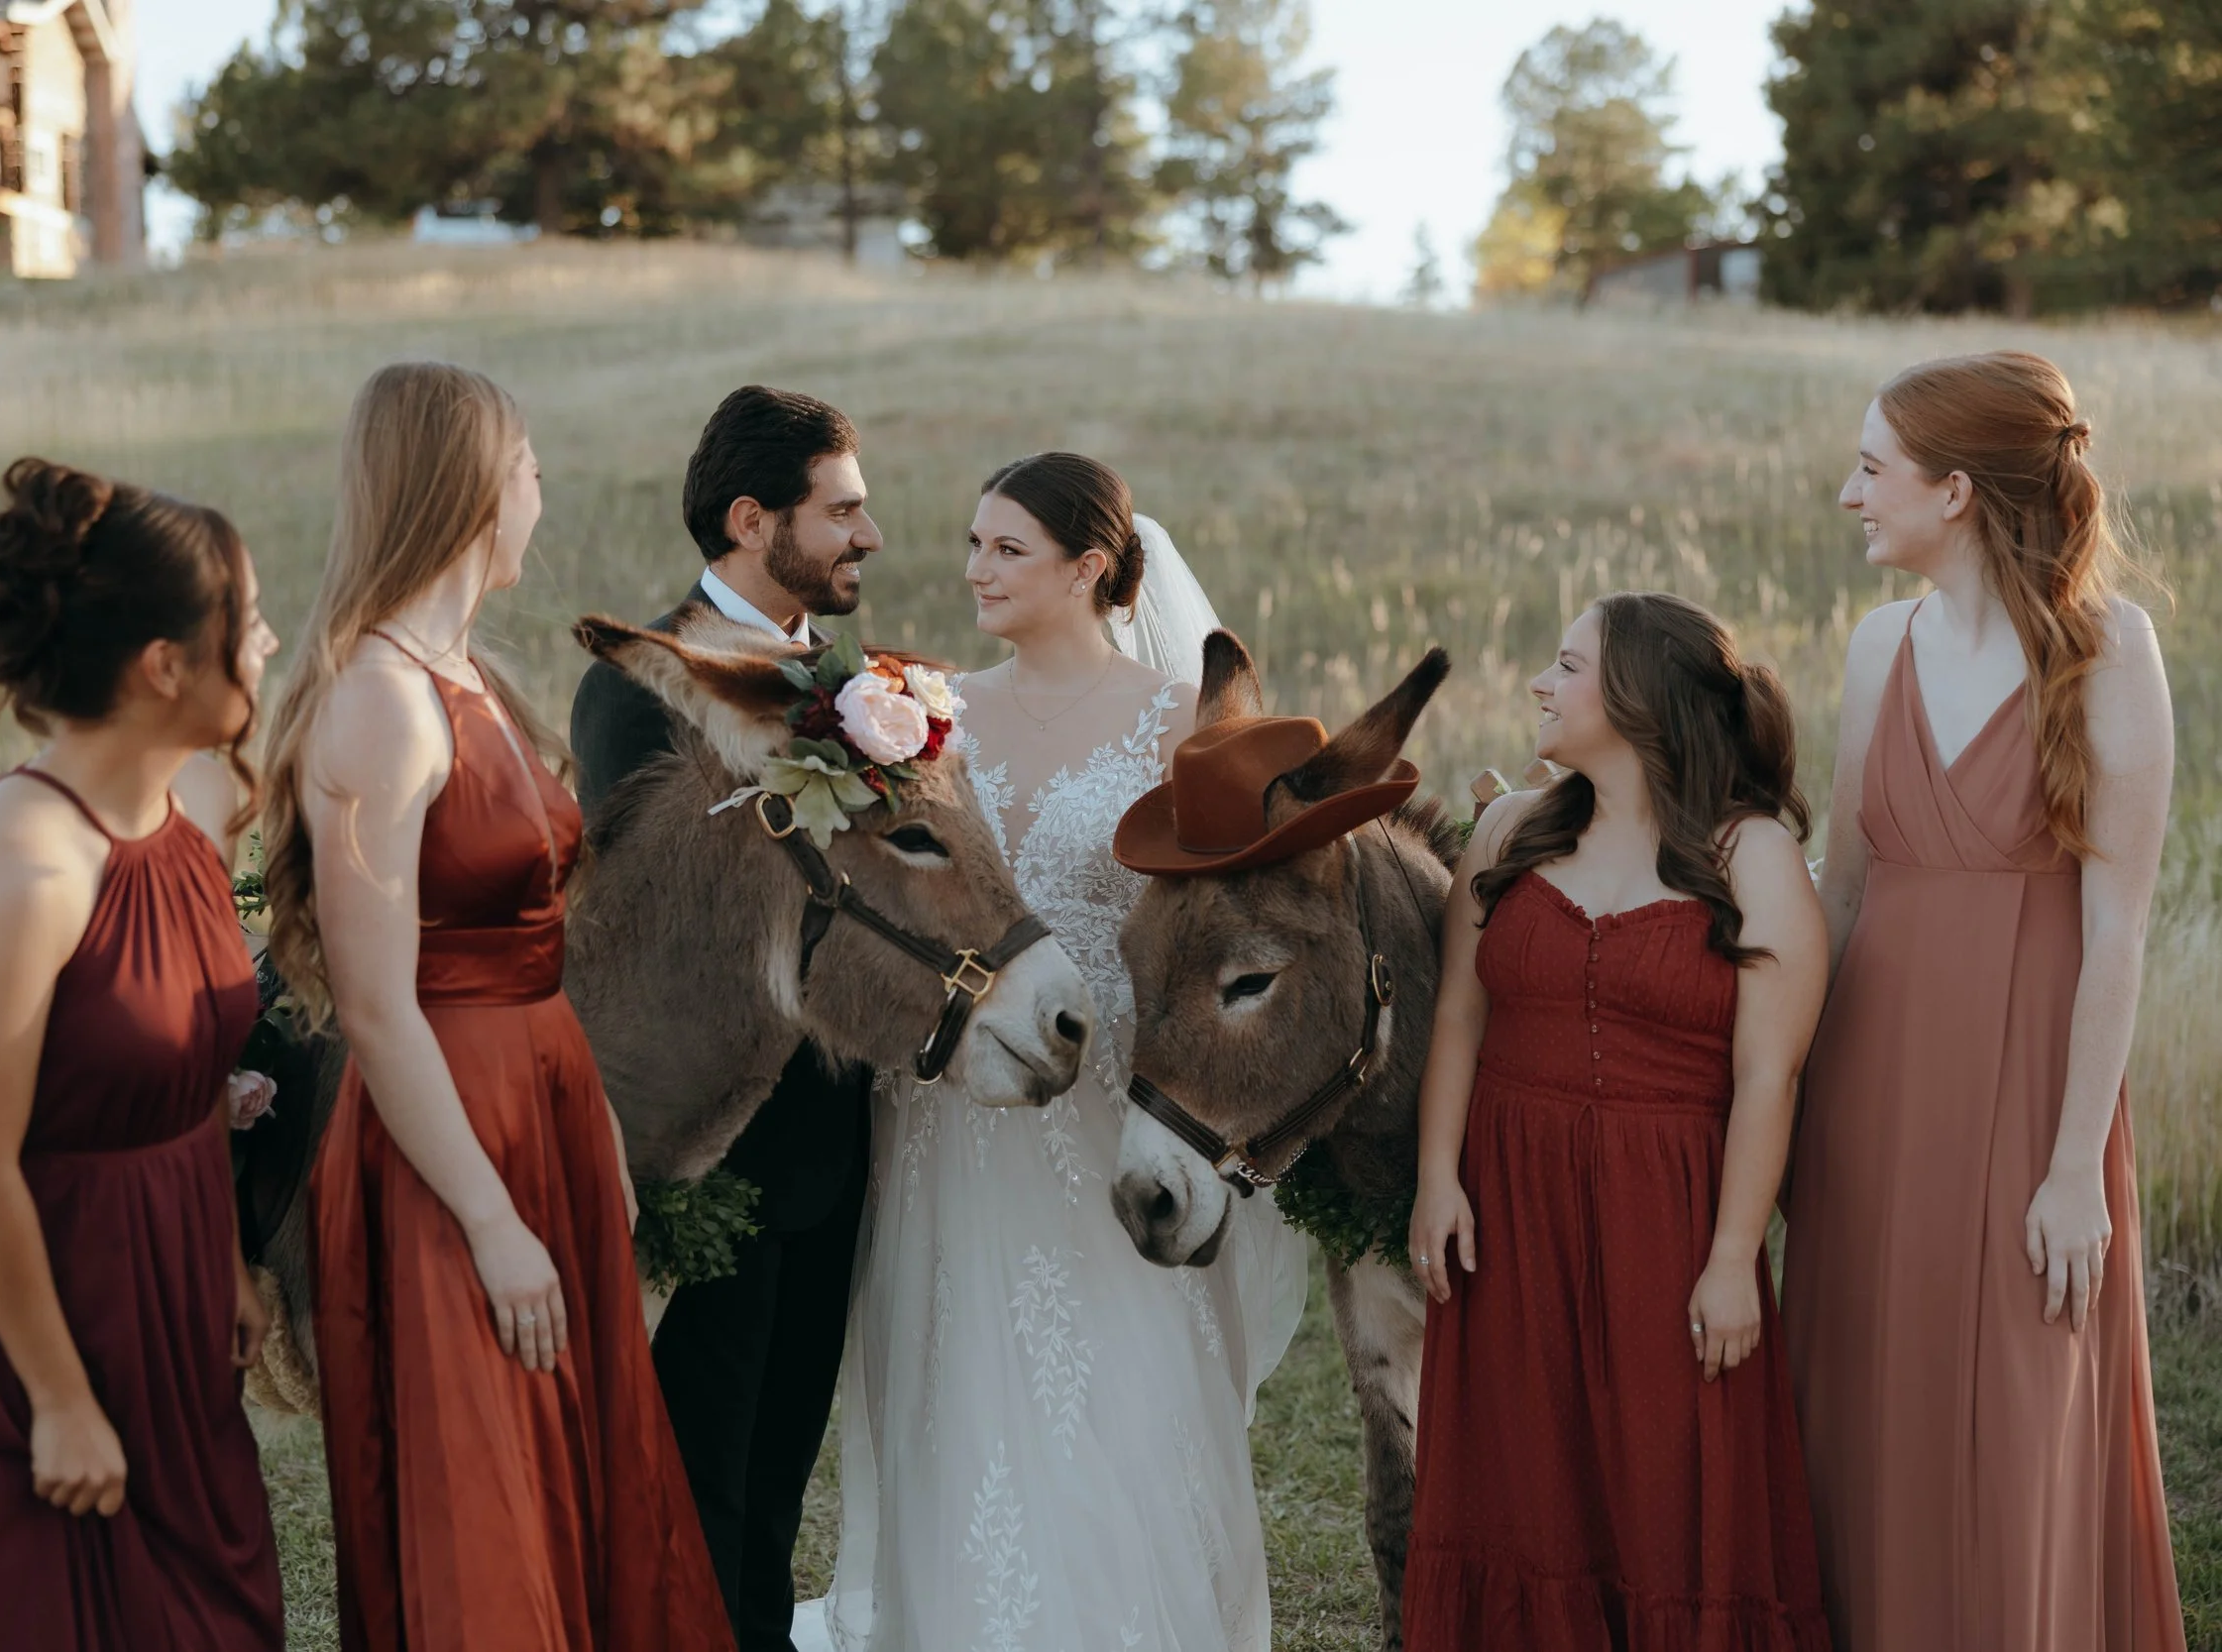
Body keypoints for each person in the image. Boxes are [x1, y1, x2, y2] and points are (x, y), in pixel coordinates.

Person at [264, 363, 727, 1652]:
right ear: (470, 489)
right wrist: (490, 1217)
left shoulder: (467, 674)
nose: (540, 493)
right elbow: (372, 998)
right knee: (480, 1499)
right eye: (525, 469)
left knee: (569, 1480)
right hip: (447, 1137)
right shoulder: (380, 700)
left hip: (541, 1102)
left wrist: (591, 1166)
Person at [819, 453, 1310, 1652]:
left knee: (1125, 1391)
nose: (975, 568)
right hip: (954, 1117)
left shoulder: (1178, 719)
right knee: (959, 1385)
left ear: (1089, 566)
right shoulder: (926, 710)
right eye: (974, 542)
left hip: (1113, 1102)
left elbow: (1235, 923)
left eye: (1007, 549)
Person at [1782, 353, 2184, 1652]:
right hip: (1870, 1091)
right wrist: (1781, 1106)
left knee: (2014, 1409)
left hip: (2030, 1096)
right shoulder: (1874, 644)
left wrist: (2077, 1169)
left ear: (1955, 490)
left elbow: (2118, 925)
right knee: (1865, 1398)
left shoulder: (2111, 648)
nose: (1849, 494)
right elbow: (1837, 896)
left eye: (1870, 468)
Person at [0, 459, 284, 1650]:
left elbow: (182, 1075)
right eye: (244, 625)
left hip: (161, 1288)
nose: (264, 645)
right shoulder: (22, 863)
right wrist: (57, 1399)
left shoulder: (187, 811)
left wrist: (221, 1261)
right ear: (164, 664)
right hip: (26, 1316)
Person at [1404, 592, 1832, 1649]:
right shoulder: (1509, 829)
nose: (1540, 685)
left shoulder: (1752, 857)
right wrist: (1436, 1177)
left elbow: (1767, 1077)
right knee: (1522, 1469)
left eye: (1565, 665)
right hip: (1508, 1202)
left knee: (1664, 1472)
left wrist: (1734, 1254)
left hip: (1667, 1209)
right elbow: (1460, 1012)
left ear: (1638, 697)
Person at [568, 384, 881, 1652]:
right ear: (755, 518)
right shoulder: (640, 685)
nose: (869, 534)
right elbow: (669, 933)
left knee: (774, 1481)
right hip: (716, 1151)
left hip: (833, 1140)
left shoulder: (852, 678)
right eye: (843, 510)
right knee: (700, 1478)